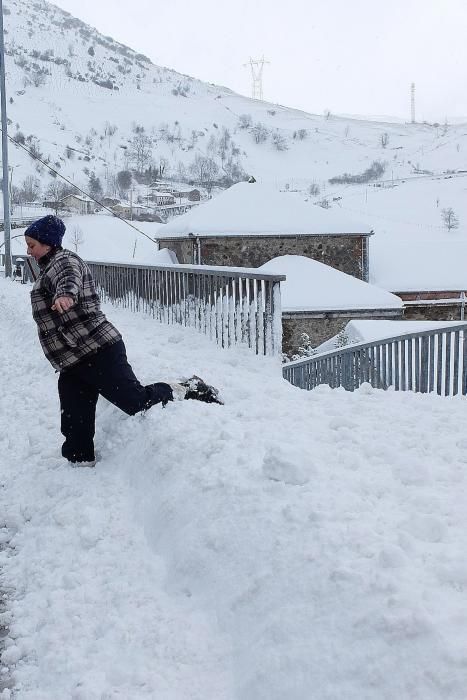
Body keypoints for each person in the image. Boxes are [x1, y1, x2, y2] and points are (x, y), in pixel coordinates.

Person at [25, 215, 222, 467]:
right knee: (74, 418)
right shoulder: (47, 269)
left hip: (98, 350)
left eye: (32, 245)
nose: (28, 251)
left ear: (48, 243)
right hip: (72, 359)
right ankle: (78, 461)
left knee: (135, 402)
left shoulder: (64, 261)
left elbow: (69, 278)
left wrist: (65, 295)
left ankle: (187, 387)